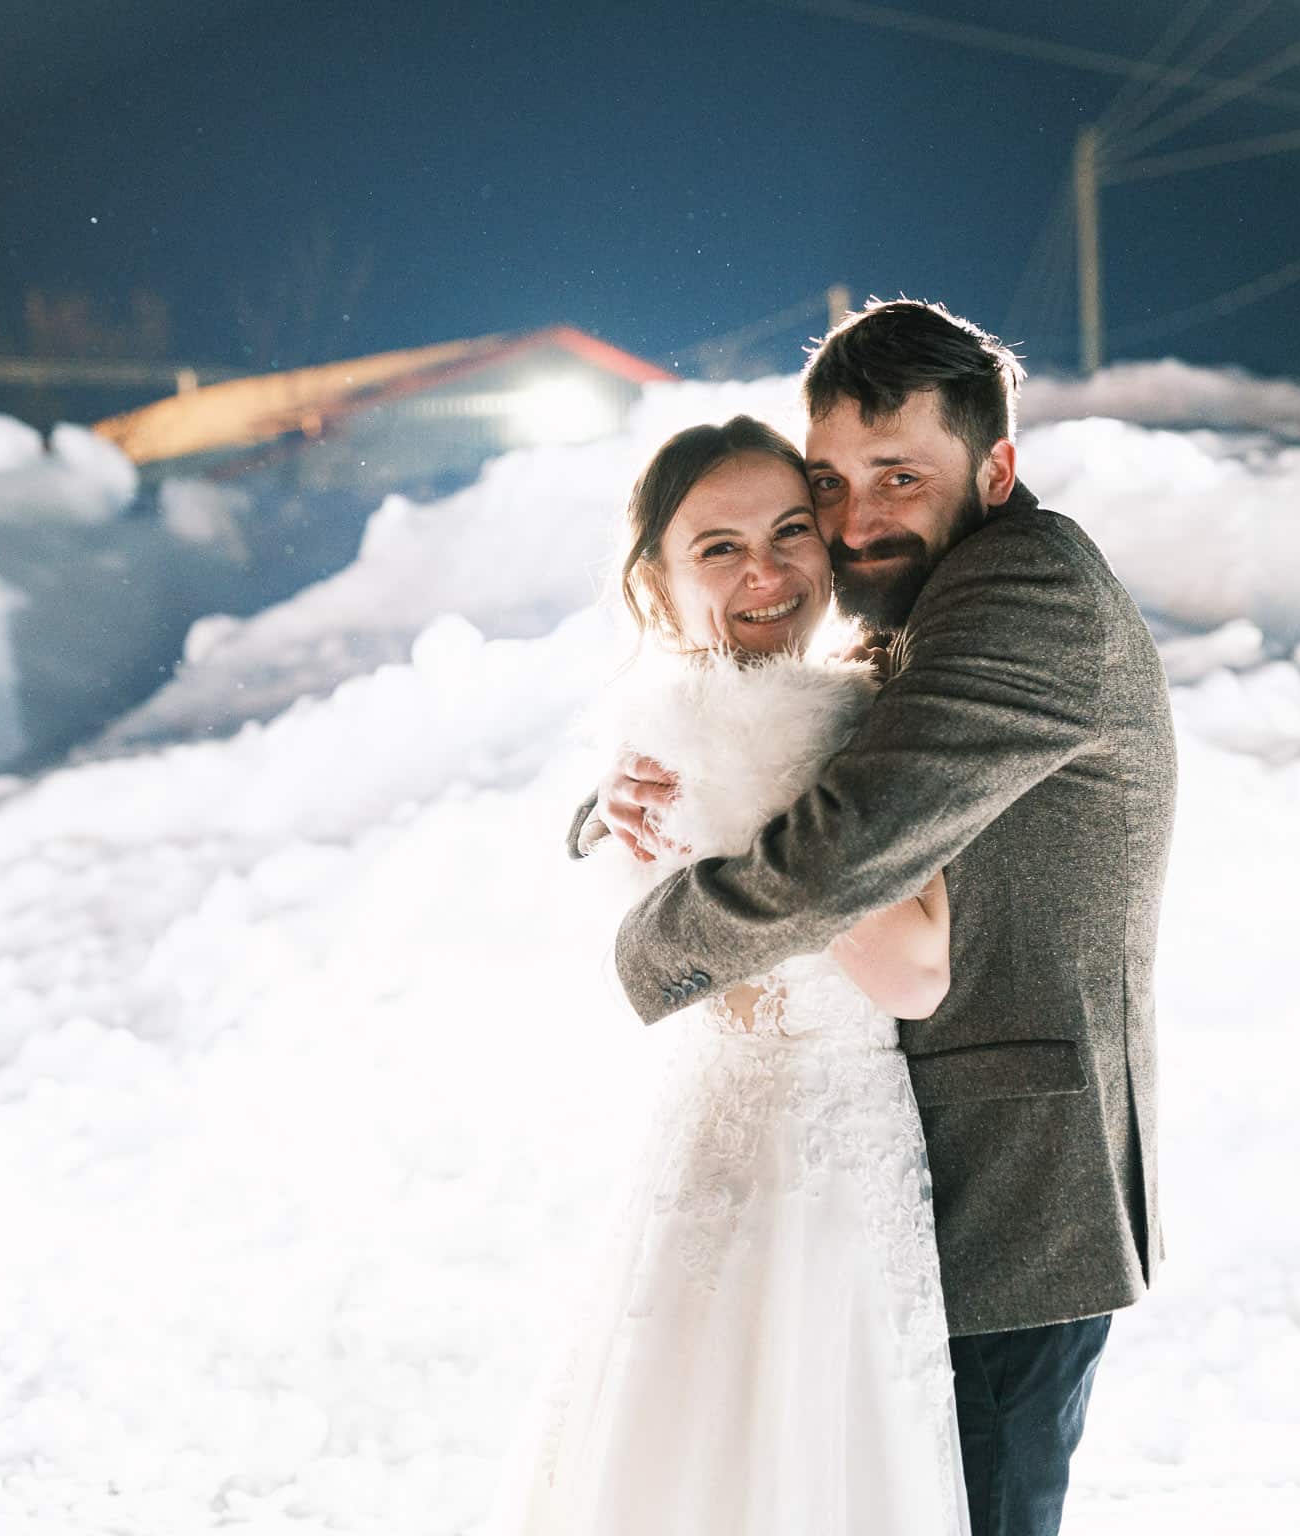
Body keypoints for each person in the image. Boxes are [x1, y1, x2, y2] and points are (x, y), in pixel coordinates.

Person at [577, 300, 1178, 1536]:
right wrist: (624, 800)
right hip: (899, 1195)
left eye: (898, 477)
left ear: (994, 469)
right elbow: (796, 748)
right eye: (830, 483)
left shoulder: (1020, 591)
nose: (853, 522)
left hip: (1006, 1196)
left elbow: (835, 850)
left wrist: (651, 945)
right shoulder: (919, 608)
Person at [487, 415, 970, 1535]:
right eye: (719, 548)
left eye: (791, 531)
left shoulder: (722, 731)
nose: (767, 571)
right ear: (654, 586)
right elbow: (911, 976)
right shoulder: (745, 744)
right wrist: (768, 788)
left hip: (781, 1155)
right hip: (786, 1159)